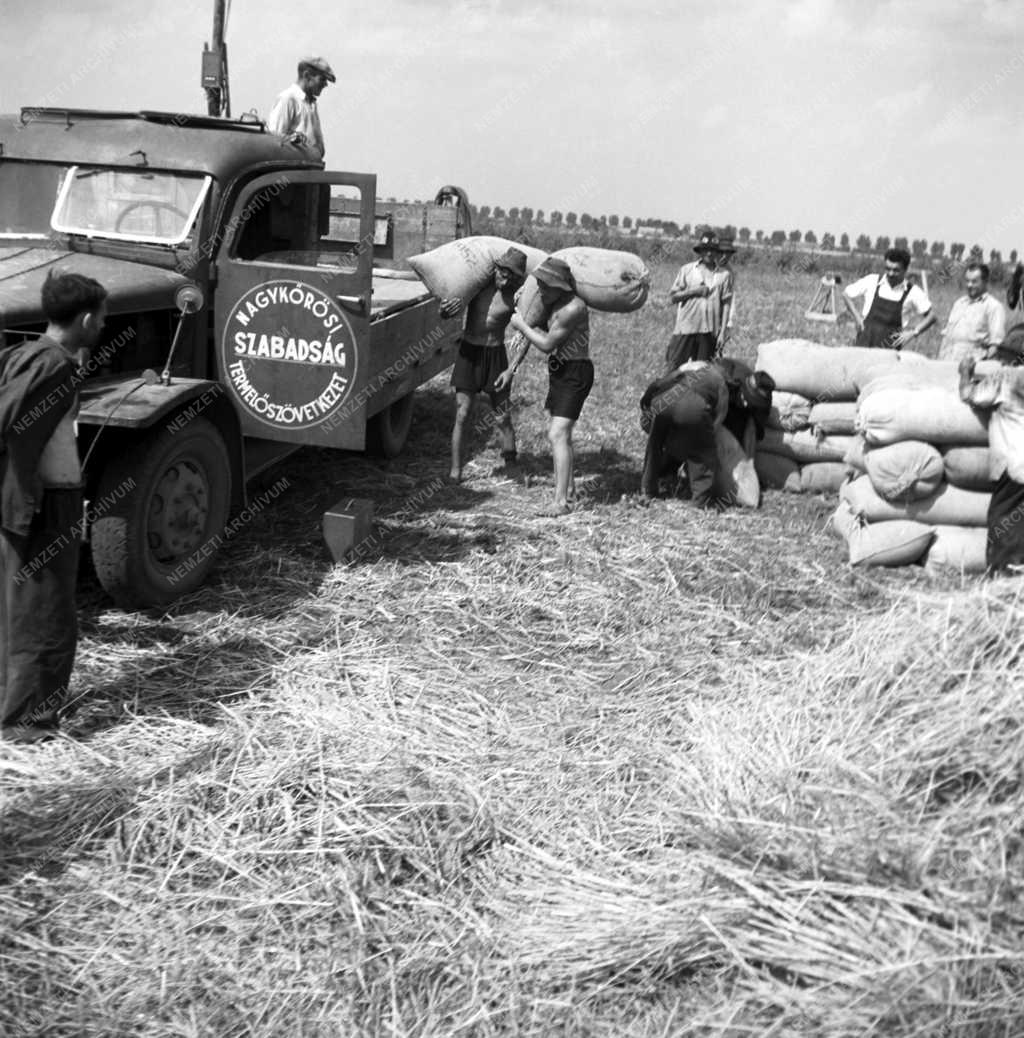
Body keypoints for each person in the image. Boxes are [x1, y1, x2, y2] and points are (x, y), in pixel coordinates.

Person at [0, 271, 107, 744]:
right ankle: (27, 723)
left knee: (23, 610)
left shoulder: (27, 354)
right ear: (85, 318)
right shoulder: (53, 365)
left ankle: (17, 707)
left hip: (34, 502)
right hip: (43, 507)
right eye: (101, 319)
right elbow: (10, 424)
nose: (102, 327)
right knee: (46, 617)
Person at [499, 258, 592, 517]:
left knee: (556, 435)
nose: (541, 290)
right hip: (559, 371)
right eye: (539, 285)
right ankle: (569, 492)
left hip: (575, 372)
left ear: (562, 286)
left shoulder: (573, 308)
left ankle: (561, 503)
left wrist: (521, 325)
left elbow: (547, 344)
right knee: (562, 436)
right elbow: (545, 326)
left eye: (546, 286)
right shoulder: (554, 303)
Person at [439, 248, 526, 483]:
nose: (504, 279)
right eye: (502, 273)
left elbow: (531, 330)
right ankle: (456, 470)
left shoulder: (515, 297)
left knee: (502, 416)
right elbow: (451, 309)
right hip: (469, 354)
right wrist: (445, 312)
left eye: (510, 277)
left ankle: (511, 464)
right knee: (462, 414)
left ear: (517, 278)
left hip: (496, 357)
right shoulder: (477, 289)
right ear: (495, 269)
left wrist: (512, 368)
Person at [638, 358, 774, 506]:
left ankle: (648, 490)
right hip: (691, 407)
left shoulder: (697, 370)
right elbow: (715, 422)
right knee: (704, 454)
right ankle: (700, 502)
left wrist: (648, 396)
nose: (746, 403)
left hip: (663, 399)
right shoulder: (722, 387)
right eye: (746, 398)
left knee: (655, 444)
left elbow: (668, 379)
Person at [958, 326, 1024, 573]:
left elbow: (969, 395)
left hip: (1015, 463)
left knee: (1003, 517)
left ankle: (1002, 571)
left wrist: (965, 372)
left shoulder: (1006, 377)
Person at [842, 247, 936, 349]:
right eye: (888, 269)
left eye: (896, 270)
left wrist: (913, 332)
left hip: (889, 350)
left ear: (905, 270)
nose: (890, 273)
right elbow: (846, 294)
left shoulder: (913, 292)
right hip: (863, 343)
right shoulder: (872, 281)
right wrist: (857, 318)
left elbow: (932, 316)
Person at [665, 231, 730, 368]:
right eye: (706, 250)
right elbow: (673, 297)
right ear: (700, 251)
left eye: (712, 250)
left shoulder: (724, 275)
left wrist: (722, 332)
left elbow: (726, 304)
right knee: (673, 370)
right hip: (685, 328)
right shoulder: (687, 270)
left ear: (717, 252)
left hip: (709, 332)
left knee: (701, 375)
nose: (709, 253)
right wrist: (694, 291)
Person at [267, 57, 336, 158]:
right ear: (307, 76)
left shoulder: (311, 104)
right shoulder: (288, 99)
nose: (325, 84)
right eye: (322, 79)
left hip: (309, 168)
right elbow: (274, 141)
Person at [939, 262, 1007, 363]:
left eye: (974, 281)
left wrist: (981, 367)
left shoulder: (993, 307)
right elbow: (947, 336)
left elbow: (995, 346)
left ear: (985, 282)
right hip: (947, 362)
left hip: (971, 368)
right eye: (967, 281)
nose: (969, 285)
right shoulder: (959, 303)